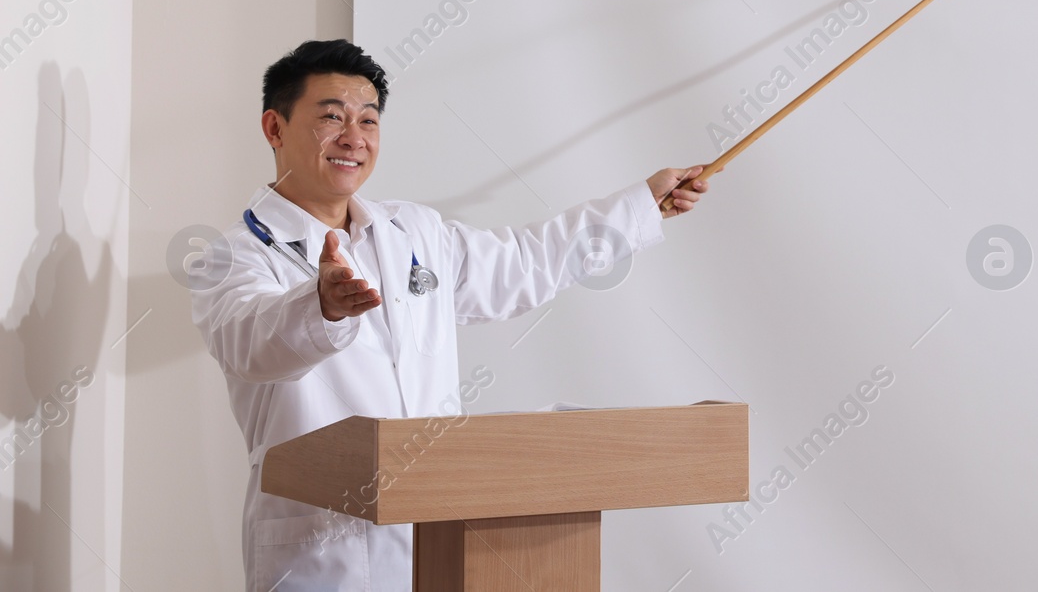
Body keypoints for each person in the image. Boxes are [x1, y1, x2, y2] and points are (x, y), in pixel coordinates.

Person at [189, 39, 708, 591]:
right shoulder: (234, 254)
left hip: (437, 541)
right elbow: (247, 341)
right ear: (275, 128)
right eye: (332, 117)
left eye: (369, 120)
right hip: (321, 552)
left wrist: (637, 207)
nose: (354, 138)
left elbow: (524, 263)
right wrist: (320, 305)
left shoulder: (413, 232)